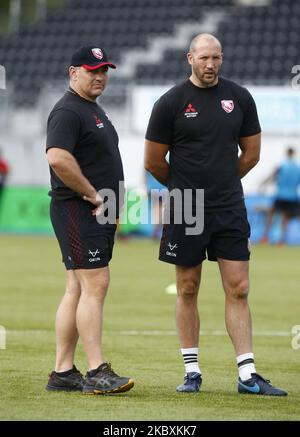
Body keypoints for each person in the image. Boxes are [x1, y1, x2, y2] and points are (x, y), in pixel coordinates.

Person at [144, 33, 287, 396]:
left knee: (238, 288)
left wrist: (222, 182)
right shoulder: (170, 102)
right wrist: (185, 189)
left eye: (217, 58)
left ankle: (247, 374)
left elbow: (251, 154)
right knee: (187, 287)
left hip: (228, 206)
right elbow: (153, 162)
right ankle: (192, 371)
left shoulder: (239, 98)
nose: (211, 65)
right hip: (185, 207)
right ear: (189, 57)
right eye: (204, 58)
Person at [45, 45, 134, 394]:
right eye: (92, 69)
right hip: (78, 209)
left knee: (77, 288)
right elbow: (57, 158)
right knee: (94, 286)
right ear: (73, 73)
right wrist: (94, 194)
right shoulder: (68, 110)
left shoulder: (90, 109)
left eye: (104, 70)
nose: (100, 76)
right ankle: (97, 370)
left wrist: (112, 204)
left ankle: (63, 373)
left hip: (93, 211)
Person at [260, 147, 300, 244]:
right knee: (286, 218)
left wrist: (263, 185)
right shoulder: (297, 168)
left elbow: (271, 176)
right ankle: (281, 240)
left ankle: (265, 236)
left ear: (287, 153)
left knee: (270, 215)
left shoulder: (282, 166)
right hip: (293, 196)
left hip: (281, 195)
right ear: (294, 154)